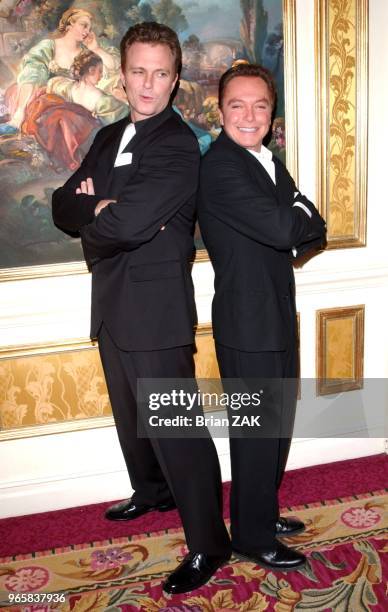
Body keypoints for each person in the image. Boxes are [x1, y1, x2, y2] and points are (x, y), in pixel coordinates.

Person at [52, 21, 231, 594]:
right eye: (138, 71)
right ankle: (152, 494)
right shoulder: (106, 137)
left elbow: (126, 225)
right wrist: (99, 208)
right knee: (133, 421)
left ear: (175, 80)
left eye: (160, 73)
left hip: (155, 311)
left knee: (177, 430)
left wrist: (100, 209)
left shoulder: (178, 145)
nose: (148, 84)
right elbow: (61, 205)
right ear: (123, 74)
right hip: (110, 303)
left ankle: (209, 543)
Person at [198, 62, 326, 571]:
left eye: (260, 105)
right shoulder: (223, 165)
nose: (249, 115)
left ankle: (261, 510)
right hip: (246, 321)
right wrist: (294, 216)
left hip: (274, 312)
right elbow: (284, 227)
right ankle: (250, 534)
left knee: (276, 426)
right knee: (255, 432)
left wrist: (296, 218)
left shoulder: (266, 159)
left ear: (272, 113)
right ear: (221, 110)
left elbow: (313, 226)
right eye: (237, 104)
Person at [1, 8, 120, 135]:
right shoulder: (49, 46)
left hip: (84, 96)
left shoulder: (90, 47)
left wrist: (96, 49)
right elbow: (32, 74)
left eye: (89, 28)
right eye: (83, 25)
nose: (87, 31)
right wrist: (20, 113)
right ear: (70, 24)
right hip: (57, 95)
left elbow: (113, 67)